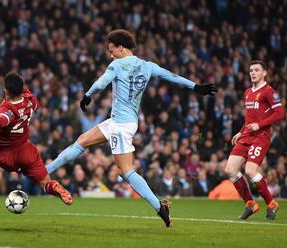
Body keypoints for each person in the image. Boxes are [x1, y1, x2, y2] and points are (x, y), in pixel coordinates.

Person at [46, 29, 216, 227]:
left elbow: (101, 83)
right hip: (121, 121)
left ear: (120, 47)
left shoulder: (116, 65)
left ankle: (160, 207)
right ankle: (44, 171)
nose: (110, 55)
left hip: (120, 126)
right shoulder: (147, 66)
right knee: (82, 141)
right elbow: (172, 76)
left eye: (112, 50)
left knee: (125, 172)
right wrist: (196, 87)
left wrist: (87, 96)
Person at [0, 72, 72, 205]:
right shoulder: (30, 101)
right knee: (44, 183)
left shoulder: (7, 108)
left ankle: (22, 170)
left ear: (6, 92)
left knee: (6, 163)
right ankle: (54, 186)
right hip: (26, 150)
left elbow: (4, 120)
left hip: (7, 154)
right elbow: (34, 101)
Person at [225, 60, 285, 220]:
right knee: (230, 169)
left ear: (264, 73)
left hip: (261, 136)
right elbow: (250, 118)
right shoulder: (248, 92)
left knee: (250, 170)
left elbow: (280, 113)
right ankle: (250, 204)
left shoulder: (269, 91)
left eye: (257, 70)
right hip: (246, 136)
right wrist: (241, 131)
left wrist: (260, 125)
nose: (253, 73)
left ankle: (271, 203)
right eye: (251, 70)